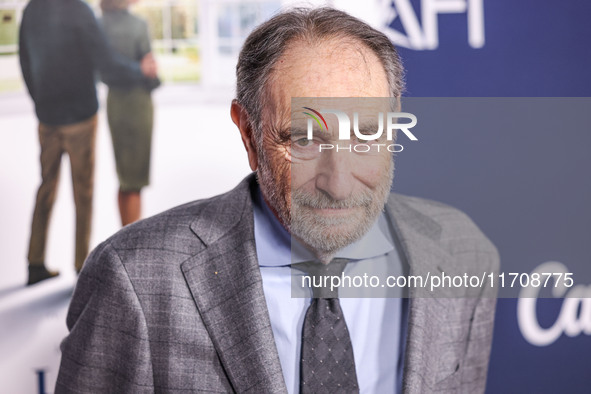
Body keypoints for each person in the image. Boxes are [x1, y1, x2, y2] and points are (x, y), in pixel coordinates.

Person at [55, 7, 499, 393]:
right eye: (304, 139)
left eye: (365, 134)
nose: (338, 184)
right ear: (249, 133)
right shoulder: (134, 280)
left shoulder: (464, 253)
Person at [19, 0, 157, 285]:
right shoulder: (79, 10)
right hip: (81, 117)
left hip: (47, 117)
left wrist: (39, 102)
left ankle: (35, 263)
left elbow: (25, 61)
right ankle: (81, 266)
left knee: (46, 187)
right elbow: (104, 61)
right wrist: (139, 71)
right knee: (83, 192)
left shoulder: (32, 9)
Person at [100, 0, 160, 226]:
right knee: (134, 182)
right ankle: (130, 244)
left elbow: (103, 68)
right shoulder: (138, 24)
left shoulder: (98, 24)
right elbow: (149, 71)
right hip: (137, 104)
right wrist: (150, 73)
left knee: (125, 179)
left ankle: (123, 233)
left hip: (114, 103)